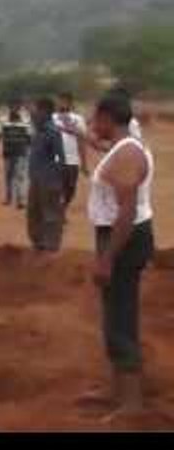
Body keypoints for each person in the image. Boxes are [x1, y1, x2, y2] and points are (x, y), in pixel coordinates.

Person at [78, 92, 154, 419]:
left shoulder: (127, 155)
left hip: (123, 239)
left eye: (96, 117)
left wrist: (107, 257)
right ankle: (115, 390)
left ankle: (132, 404)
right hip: (119, 237)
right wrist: (82, 135)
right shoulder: (123, 148)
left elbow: (125, 213)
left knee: (121, 318)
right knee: (113, 315)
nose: (94, 123)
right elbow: (99, 145)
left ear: (109, 117)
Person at [27, 97, 66, 252]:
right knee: (33, 211)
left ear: (45, 112)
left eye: (36, 110)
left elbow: (59, 157)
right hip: (36, 178)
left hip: (49, 180)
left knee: (50, 214)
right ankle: (38, 243)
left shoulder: (53, 132)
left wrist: (56, 178)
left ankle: (51, 246)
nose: (33, 113)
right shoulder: (38, 130)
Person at [0, 100, 32, 209]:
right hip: (8, 152)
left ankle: (20, 200)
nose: (14, 108)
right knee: (8, 175)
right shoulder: (3, 120)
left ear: (19, 107)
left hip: (21, 152)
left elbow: (30, 137)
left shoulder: (26, 120)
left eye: (16, 106)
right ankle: (8, 197)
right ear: (9, 107)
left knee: (20, 176)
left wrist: (30, 150)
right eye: (12, 106)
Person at [53, 93, 89, 209]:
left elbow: (82, 141)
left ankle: (63, 206)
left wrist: (84, 163)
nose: (61, 104)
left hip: (73, 159)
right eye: (59, 101)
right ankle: (58, 211)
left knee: (71, 188)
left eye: (64, 101)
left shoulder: (78, 119)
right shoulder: (51, 118)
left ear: (70, 103)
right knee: (57, 186)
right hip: (56, 158)